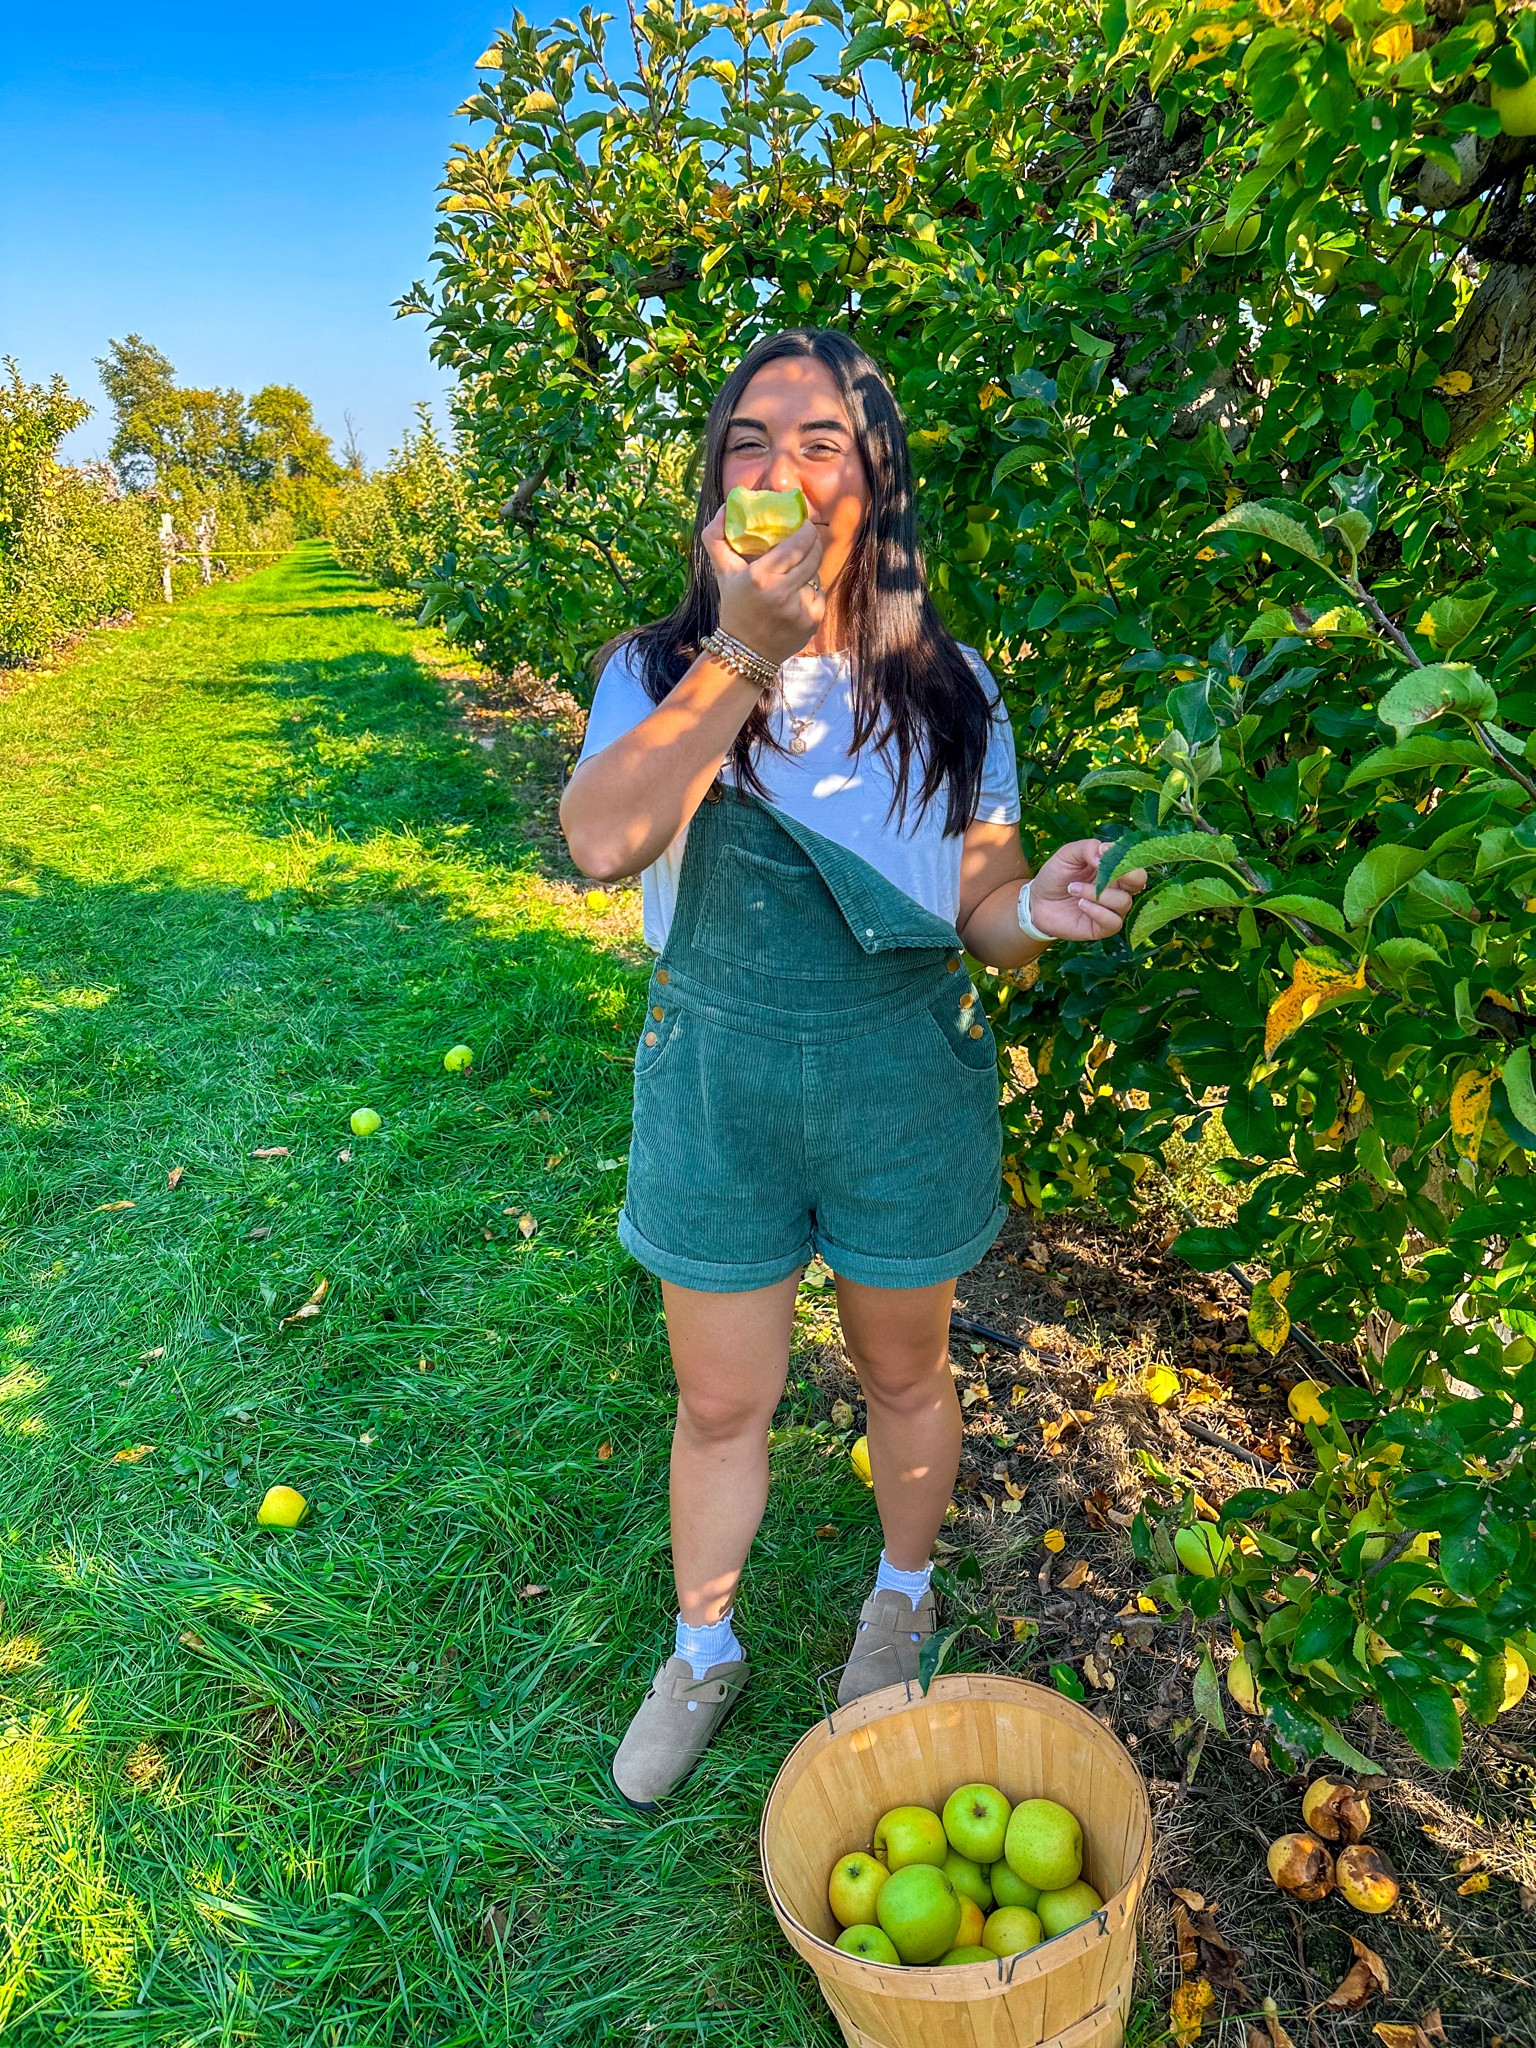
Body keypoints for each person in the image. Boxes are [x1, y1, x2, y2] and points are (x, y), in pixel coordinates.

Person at [560, 328, 1147, 1809]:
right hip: (717, 1082)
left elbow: (979, 909)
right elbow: (602, 840)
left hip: (900, 1078)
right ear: (716, 480)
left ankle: (900, 1595)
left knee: (904, 1369)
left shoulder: (951, 689)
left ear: (875, 485)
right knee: (721, 1398)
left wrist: (1039, 913)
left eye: (823, 441)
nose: (783, 467)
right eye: (751, 441)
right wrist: (743, 653)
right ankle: (703, 1647)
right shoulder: (655, 672)